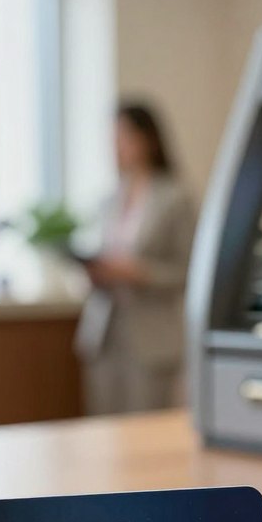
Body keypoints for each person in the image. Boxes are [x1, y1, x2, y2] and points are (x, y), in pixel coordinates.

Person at [75, 102, 196, 415]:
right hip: (106, 331)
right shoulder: (108, 200)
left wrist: (139, 273)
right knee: (103, 425)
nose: (115, 147)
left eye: (123, 137)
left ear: (148, 140)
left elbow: (189, 271)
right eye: (112, 139)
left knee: (143, 426)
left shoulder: (176, 199)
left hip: (151, 335)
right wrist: (97, 272)